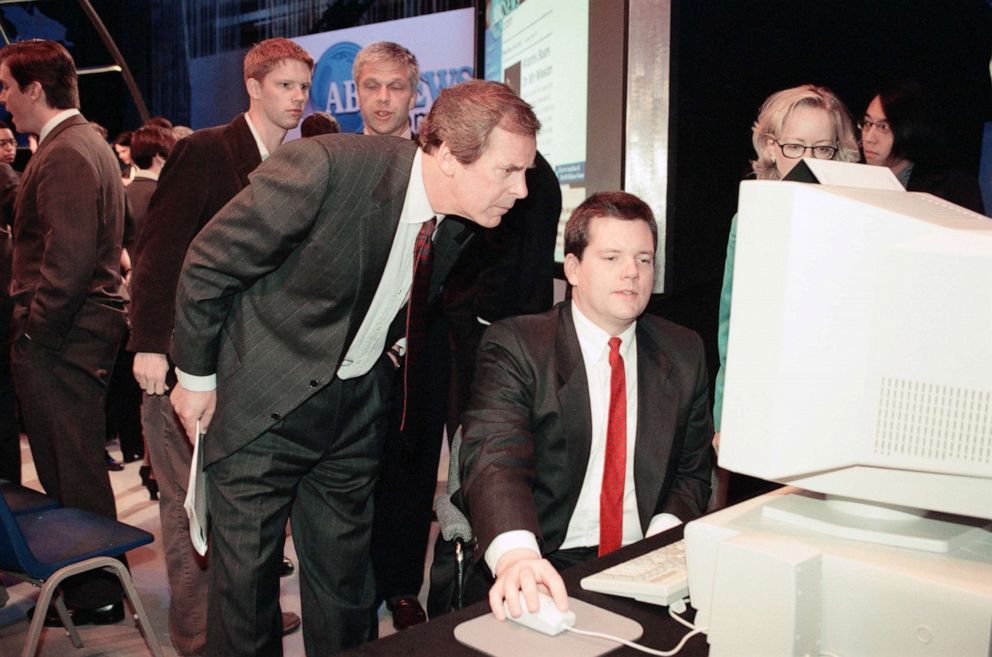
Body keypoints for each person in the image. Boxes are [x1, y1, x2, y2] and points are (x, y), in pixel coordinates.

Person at [169, 79, 539, 657]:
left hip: (354, 413)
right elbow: (209, 263)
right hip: (264, 406)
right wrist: (195, 379)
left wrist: (380, 364)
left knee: (345, 589)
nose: (520, 191)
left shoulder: (465, 219)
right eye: (508, 171)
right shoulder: (325, 167)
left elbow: (394, 298)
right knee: (245, 596)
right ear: (446, 155)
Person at [128, 37, 312, 656]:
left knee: (238, 510)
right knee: (189, 511)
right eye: (284, 85)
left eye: (303, 87)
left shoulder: (292, 161)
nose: (296, 97)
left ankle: (241, 618)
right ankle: (197, 635)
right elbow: (159, 250)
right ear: (253, 86)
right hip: (185, 360)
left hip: (247, 365)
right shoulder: (207, 151)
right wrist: (150, 343)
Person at [456, 191, 713, 619]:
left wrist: (661, 550)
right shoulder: (518, 345)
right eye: (612, 258)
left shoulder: (683, 350)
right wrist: (518, 556)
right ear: (573, 268)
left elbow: (692, 472)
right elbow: (494, 460)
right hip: (547, 555)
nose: (632, 273)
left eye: (644, 259)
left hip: (643, 554)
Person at [1, 39, 128, 624]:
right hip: (71, 336)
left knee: (72, 469)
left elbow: (69, 261)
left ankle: (94, 594)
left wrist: (32, 334)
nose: (4, 101)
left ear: (33, 88)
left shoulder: (67, 151)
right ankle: (89, 590)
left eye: (7, 87)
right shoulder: (81, 144)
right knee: (71, 465)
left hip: (62, 341)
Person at [712, 84, 859, 474]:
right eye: (796, 146)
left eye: (822, 148)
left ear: (839, 151)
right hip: (768, 404)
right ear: (773, 148)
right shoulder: (749, 221)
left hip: (835, 407)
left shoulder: (859, 221)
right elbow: (733, 330)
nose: (808, 160)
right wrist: (726, 417)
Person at [861, 80, 985, 214]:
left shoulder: (955, 190)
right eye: (868, 123)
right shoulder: (852, 177)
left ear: (910, 131)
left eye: (883, 127)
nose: (869, 138)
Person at [353, 40, 419, 137]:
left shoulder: (433, 152)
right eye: (372, 87)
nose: (383, 98)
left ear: (412, 98)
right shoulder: (337, 152)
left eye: (395, 87)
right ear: (358, 95)